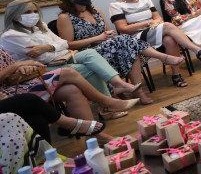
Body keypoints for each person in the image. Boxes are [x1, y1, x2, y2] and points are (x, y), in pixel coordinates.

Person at [57, 0, 183, 104]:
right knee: (125, 41)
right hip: (87, 54)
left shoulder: (96, 11)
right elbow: (68, 45)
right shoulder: (65, 17)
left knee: (130, 49)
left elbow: (107, 32)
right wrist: (96, 38)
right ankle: (163, 59)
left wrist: (108, 35)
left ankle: (137, 90)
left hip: (106, 47)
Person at [1, 0, 144, 101]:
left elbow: (64, 43)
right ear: (15, 16)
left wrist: (48, 47)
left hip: (64, 58)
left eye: (34, 11)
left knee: (90, 53)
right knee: (88, 67)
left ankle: (118, 85)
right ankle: (108, 102)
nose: (33, 14)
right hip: (42, 69)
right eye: (27, 12)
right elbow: (45, 58)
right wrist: (55, 48)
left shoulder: (41, 27)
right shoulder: (11, 36)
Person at [0, 46, 134, 142]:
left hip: (18, 84)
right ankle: (106, 101)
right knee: (67, 72)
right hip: (8, 94)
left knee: (71, 90)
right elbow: (10, 69)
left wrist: (22, 67)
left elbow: (62, 43)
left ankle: (96, 136)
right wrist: (16, 66)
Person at [112, 0, 201, 88]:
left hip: (152, 30)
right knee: (168, 25)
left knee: (169, 39)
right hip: (135, 38)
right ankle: (198, 51)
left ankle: (176, 75)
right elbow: (122, 28)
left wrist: (155, 22)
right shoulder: (116, 5)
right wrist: (147, 23)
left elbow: (157, 17)